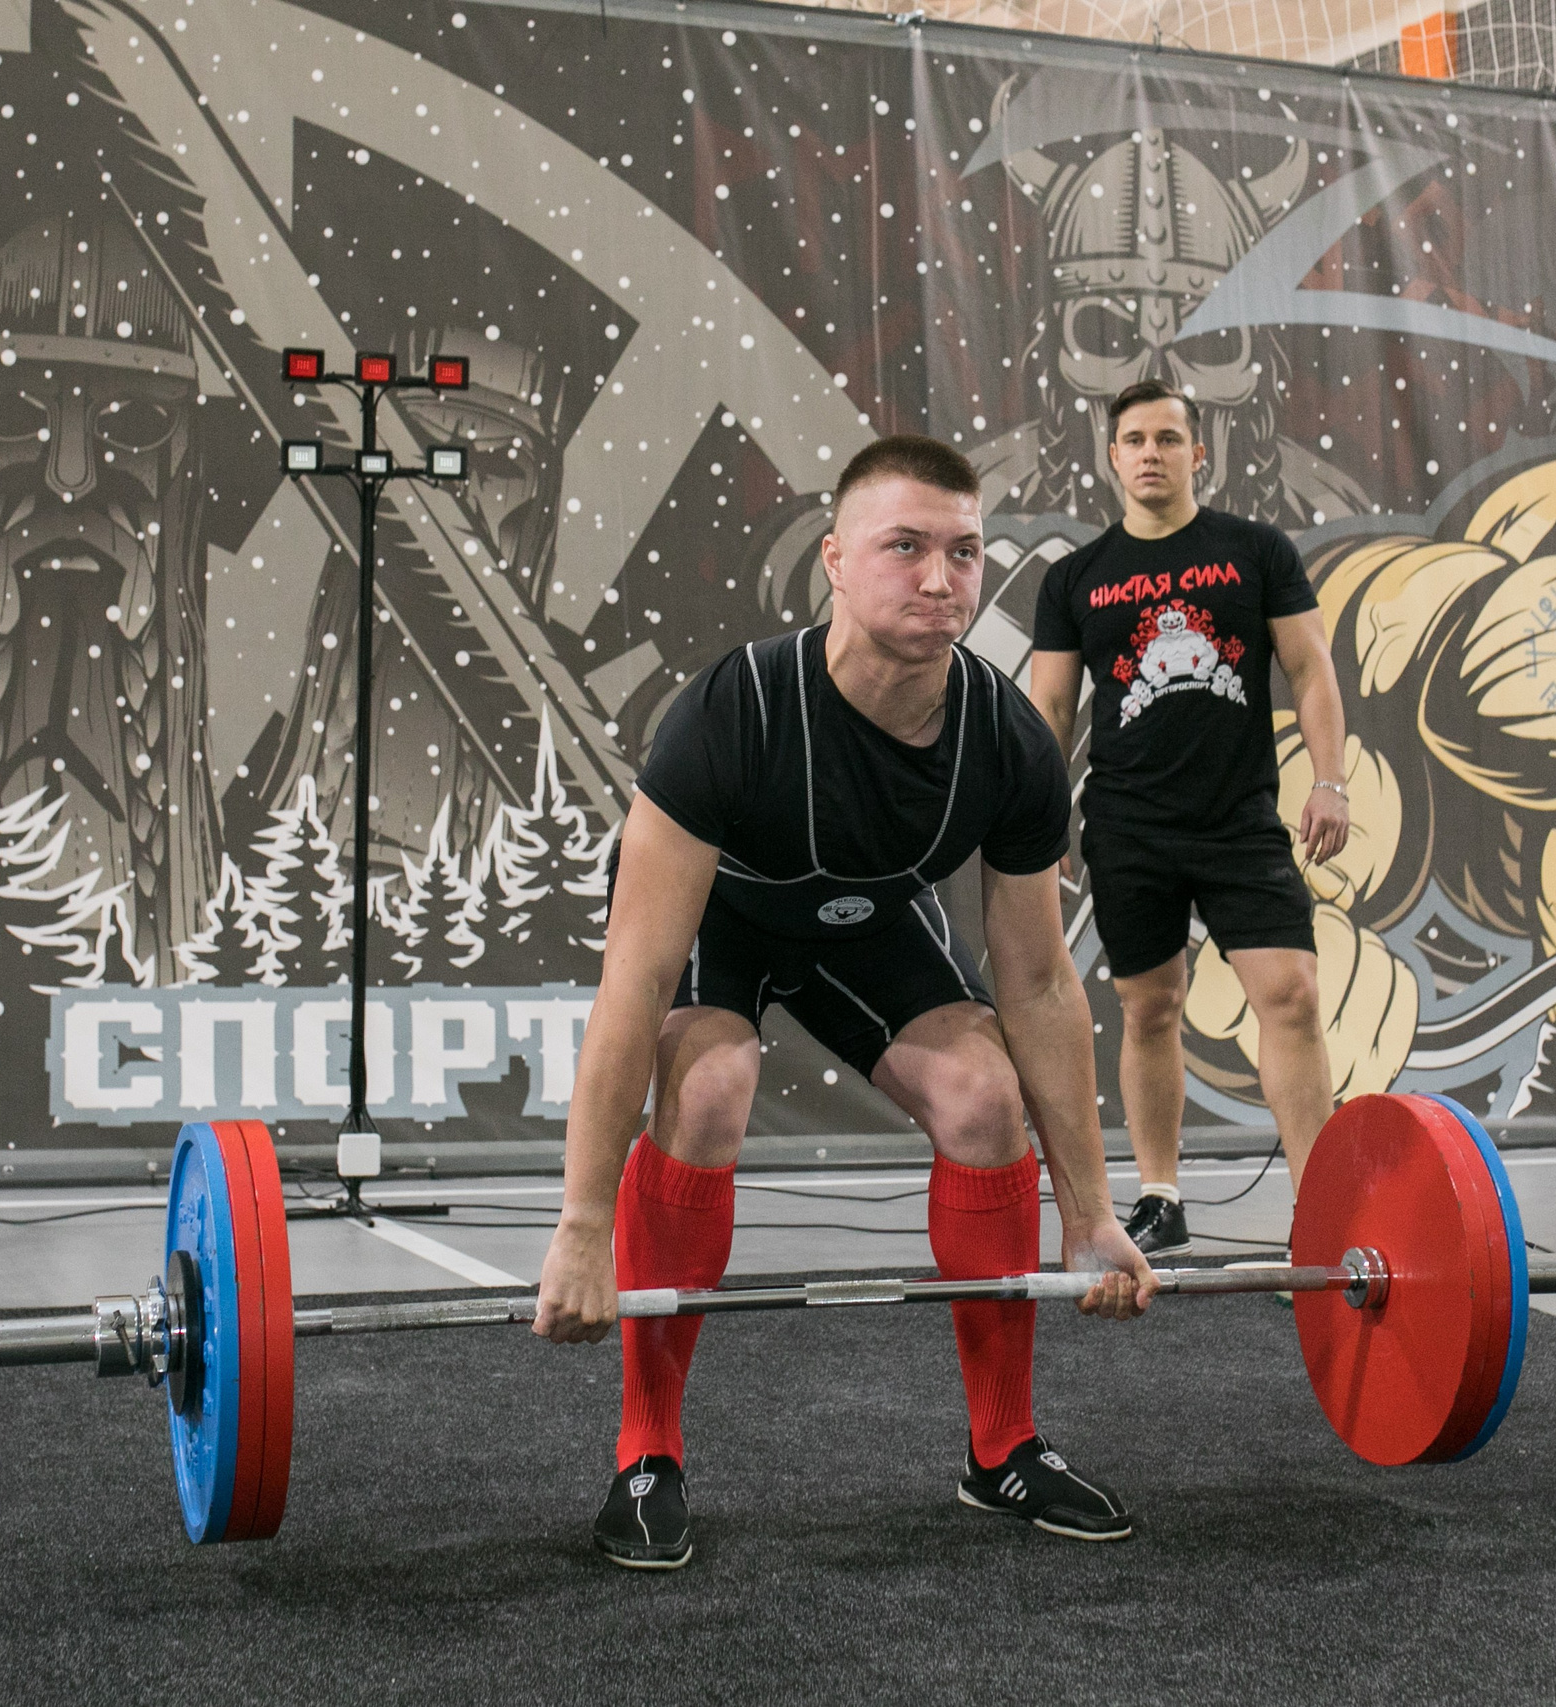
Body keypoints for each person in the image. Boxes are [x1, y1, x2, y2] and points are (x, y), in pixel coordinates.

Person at [533, 434, 1159, 1571]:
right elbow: (632, 981)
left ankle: (1002, 1449)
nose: (940, 578)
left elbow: (1034, 980)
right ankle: (646, 1454)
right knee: (711, 1086)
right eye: (906, 547)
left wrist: (1090, 1209)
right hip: (723, 926)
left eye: (964, 553)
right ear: (833, 558)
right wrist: (581, 1230)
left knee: (981, 1093)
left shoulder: (1007, 738)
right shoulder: (733, 713)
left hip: (866, 932)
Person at [1028, 379, 1352, 1258]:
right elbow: (1049, 712)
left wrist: (1332, 780)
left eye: (1168, 438)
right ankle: (1162, 1198)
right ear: (1111, 455)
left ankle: (1319, 1205)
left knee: (1290, 996)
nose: (1150, 454)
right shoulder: (1076, 577)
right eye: (1133, 439)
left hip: (1239, 820)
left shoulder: (1256, 550)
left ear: (1198, 452)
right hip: (1128, 825)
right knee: (1149, 1008)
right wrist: (1041, 822)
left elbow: (1312, 670)